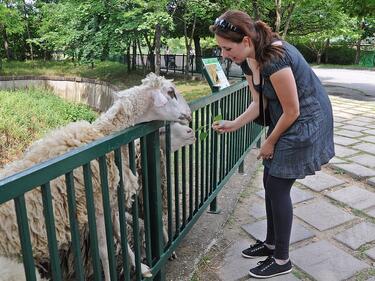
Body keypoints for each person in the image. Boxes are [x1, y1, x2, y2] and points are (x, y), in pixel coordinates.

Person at [210, 10, 334, 279]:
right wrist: (234, 124)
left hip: (305, 122)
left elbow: (292, 111)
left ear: (245, 40)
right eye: (221, 48)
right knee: (269, 182)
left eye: (227, 48)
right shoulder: (246, 61)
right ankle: (270, 243)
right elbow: (259, 104)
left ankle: (281, 259)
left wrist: (269, 142)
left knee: (277, 187)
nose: (223, 55)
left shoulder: (274, 59)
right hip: (289, 119)